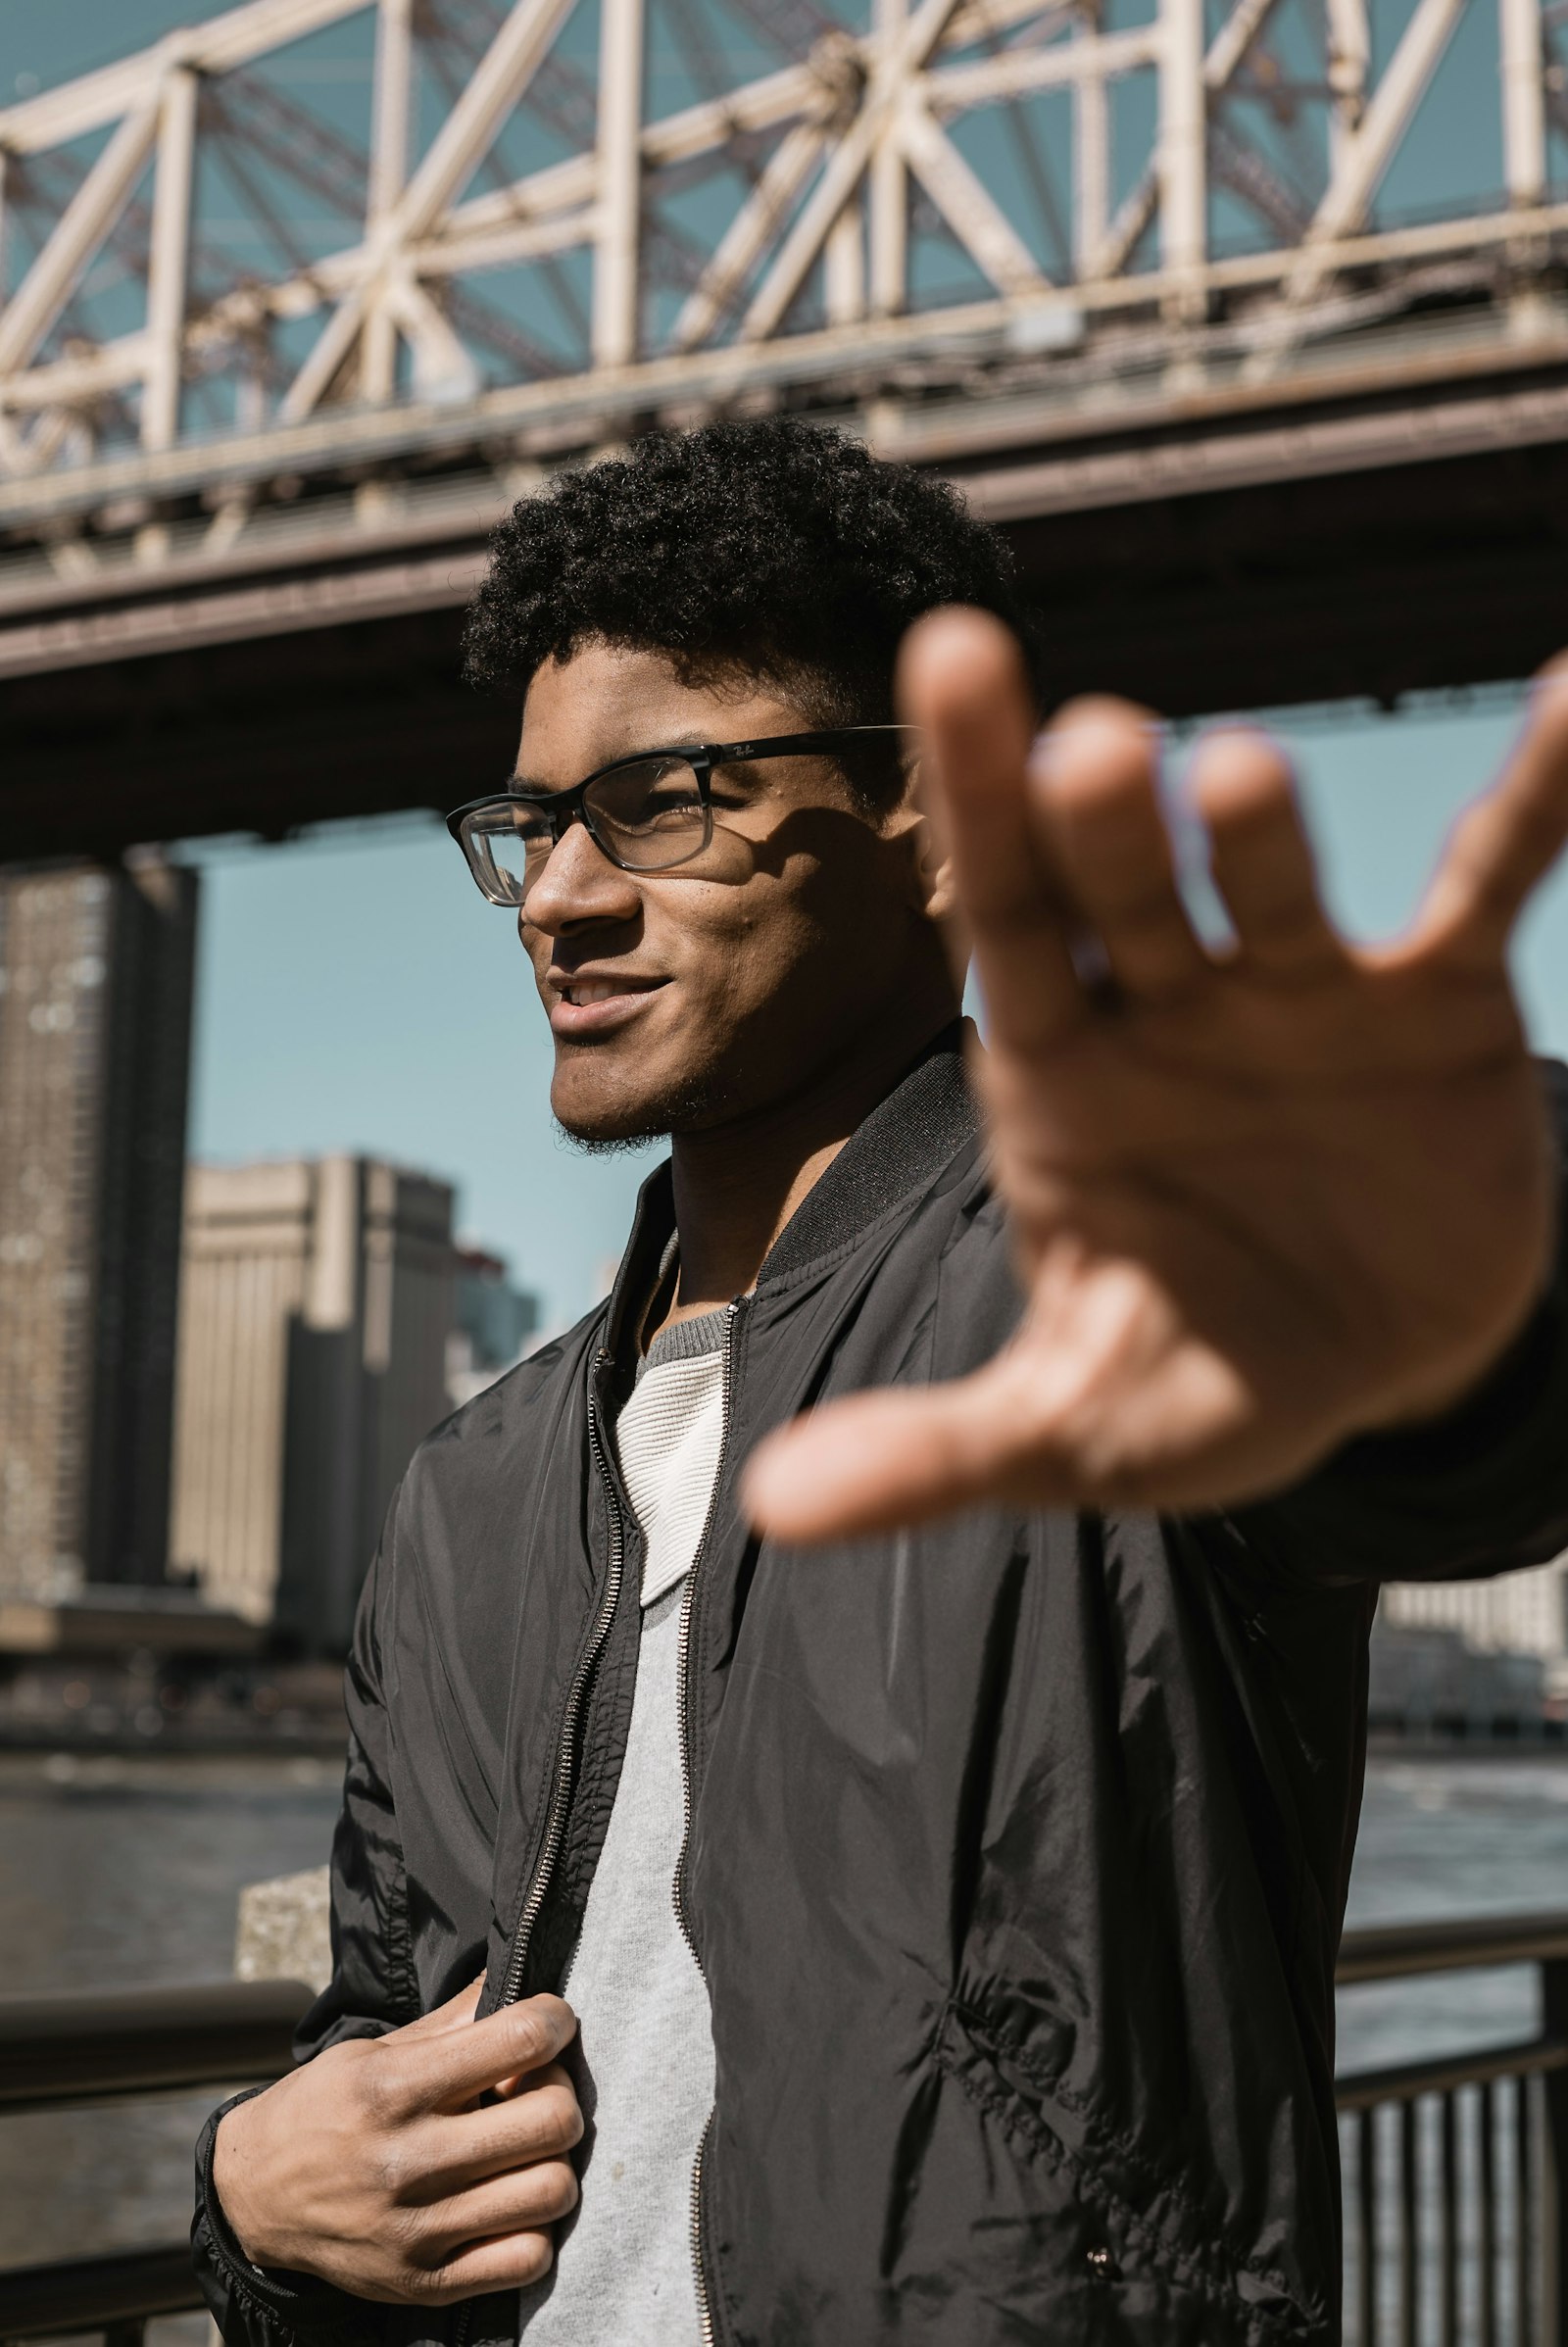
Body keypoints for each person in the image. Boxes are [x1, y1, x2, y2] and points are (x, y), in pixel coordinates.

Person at [194, 417, 1568, 2346]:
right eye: (529, 825)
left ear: (927, 811)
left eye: (661, 799)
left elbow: (1470, 1369)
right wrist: (251, 2188)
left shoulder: (1113, 1279)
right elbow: (380, 2063)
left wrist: (1432, 1190)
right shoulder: (469, 1489)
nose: (557, 901)